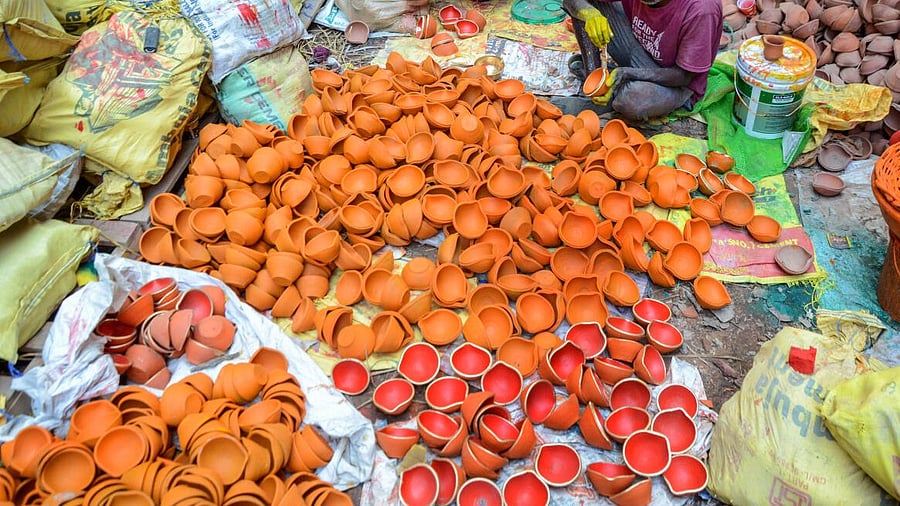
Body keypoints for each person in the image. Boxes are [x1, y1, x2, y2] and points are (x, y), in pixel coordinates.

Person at [563, 0, 723, 121]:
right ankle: (596, 81)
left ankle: (610, 93)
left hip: (677, 83)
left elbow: (684, 77)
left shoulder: (702, 9)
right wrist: (591, 15)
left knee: (632, 100)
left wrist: (627, 73)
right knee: (586, 8)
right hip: (641, 51)